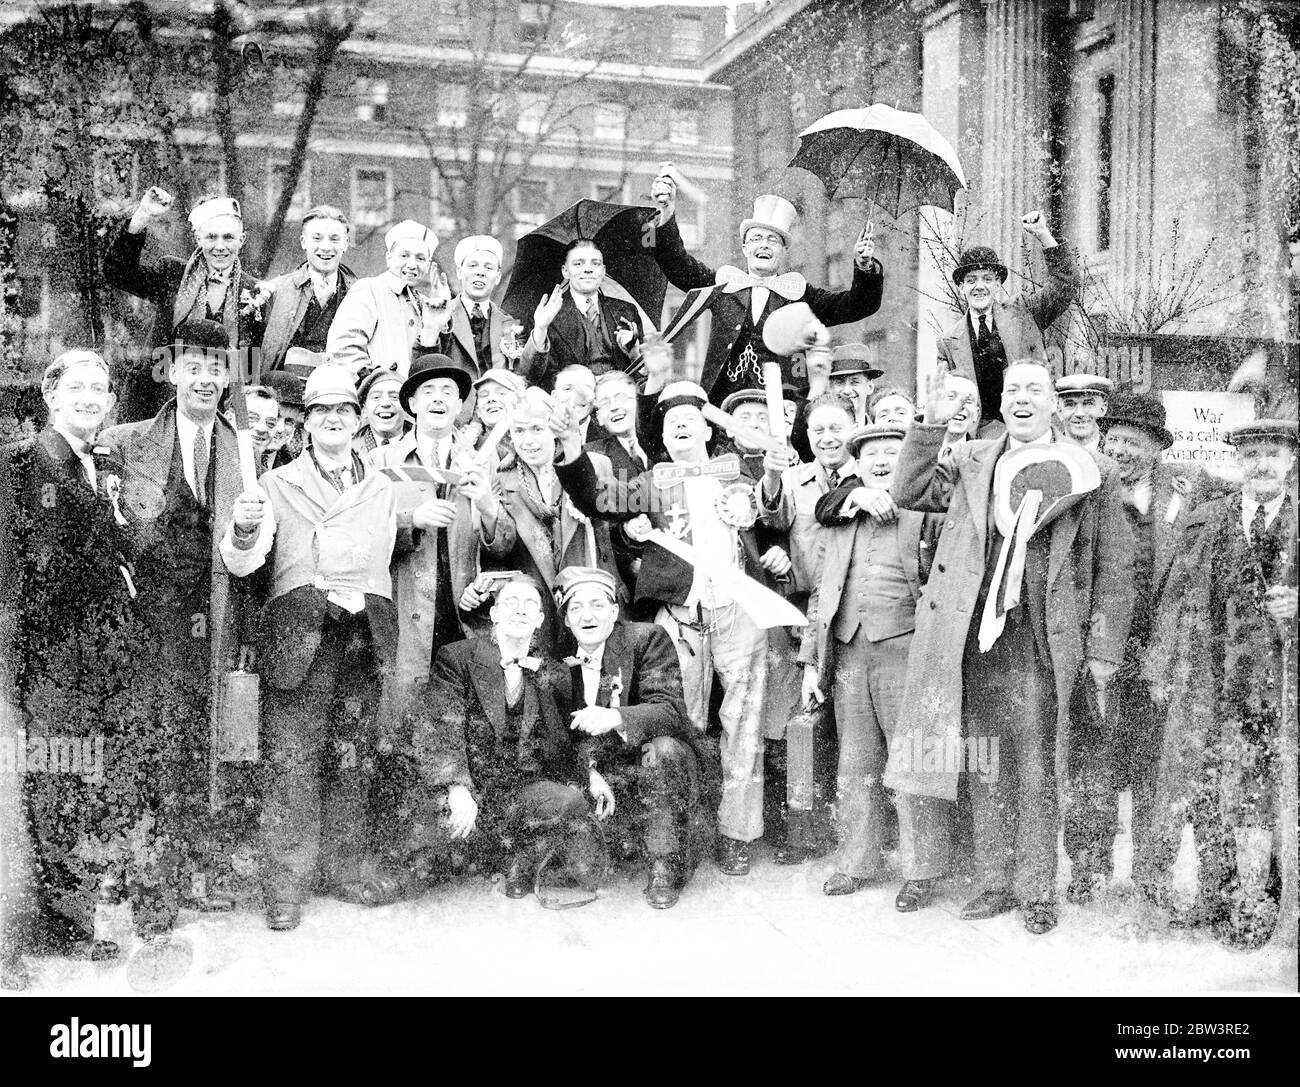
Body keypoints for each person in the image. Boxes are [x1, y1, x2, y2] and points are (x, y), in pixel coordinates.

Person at [885, 361, 1133, 935]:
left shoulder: (1092, 469)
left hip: (1044, 638)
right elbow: (909, 489)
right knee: (985, 758)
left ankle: (1037, 889)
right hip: (973, 638)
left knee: (1038, 763)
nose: (1023, 400)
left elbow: (1116, 566)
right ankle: (995, 881)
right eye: (1012, 390)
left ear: (1054, 404)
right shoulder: (973, 458)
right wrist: (931, 423)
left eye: (1035, 391)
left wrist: (1101, 649)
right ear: (1000, 403)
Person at [551, 377, 791, 877]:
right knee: (679, 727)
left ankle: (735, 835)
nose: (681, 426)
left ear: (708, 428)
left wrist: (764, 488)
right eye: (670, 422)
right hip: (679, 621)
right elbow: (599, 499)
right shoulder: (652, 482)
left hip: (738, 616)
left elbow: (775, 511)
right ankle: (685, 831)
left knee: (742, 728)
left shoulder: (740, 472)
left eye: (690, 419)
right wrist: (573, 450)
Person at [220, 365, 402, 930]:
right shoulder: (274, 485)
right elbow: (242, 562)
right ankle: (286, 883)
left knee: (352, 758)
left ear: (357, 419)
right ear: (307, 423)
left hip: (361, 635)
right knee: (292, 764)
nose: (333, 420)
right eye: (321, 411)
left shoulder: (381, 485)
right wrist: (245, 530)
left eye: (344, 411)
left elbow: (386, 555)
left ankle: (343, 867)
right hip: (300, 638)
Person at [98, 320, 255, 933]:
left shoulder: (240, 447)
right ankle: (147, 889)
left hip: (210, 622)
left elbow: (247, 550)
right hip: (148, 625)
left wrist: (244, 532)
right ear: (171, 372)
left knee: (199, 744)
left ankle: (185, 871)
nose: (207, 379)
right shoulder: (128, 441)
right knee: (149, 746)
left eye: (219, 368)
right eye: (195, 367)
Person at [0, 351, 146, 983]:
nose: (90, 396)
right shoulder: (28, 466)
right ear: (50, 396)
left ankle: (72, 915)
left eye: (100, 387)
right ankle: (63, 921)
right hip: (55, 654)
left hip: (100, 653)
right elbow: (26, 571)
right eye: (77, 386)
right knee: (60, 777)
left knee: (84, 780)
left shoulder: (102, 465)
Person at [1140, 419, 1297, 949]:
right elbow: (1175, 595)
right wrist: (1161, 666)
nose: (1262, 464)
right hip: (1210, 681)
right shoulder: (1207, 519)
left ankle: (1263, 900)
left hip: (1278, 688)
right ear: (1238, 462)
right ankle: (1219, 894)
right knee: (1207, 790)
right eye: (1251, 455)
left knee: (1265, 794)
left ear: (1291, 461)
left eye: (1273, 454)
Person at [802, 423, 949, 903]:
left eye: (893, 451)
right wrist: (810, 663)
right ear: (857, 466)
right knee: (855, 761)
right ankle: (855, 861)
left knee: (915, 759)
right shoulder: (841, 517)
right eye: (871, 455)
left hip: (906, 651)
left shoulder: (926, 513)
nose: (882, 460)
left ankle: (922, 870)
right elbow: (820, 594)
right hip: (849, 653)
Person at [1063, 392, 1198, 902]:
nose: (1121, 450)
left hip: (1160, 653)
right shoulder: (1085, 488)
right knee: (1092, 765)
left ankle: (1152, 875)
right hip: (1096, 651)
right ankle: (1089, 869)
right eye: (1113, 438)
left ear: (1157, 448)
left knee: (1157, 770)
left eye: (1134, 442)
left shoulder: (1186, 491)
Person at [406, 576, 592, 900]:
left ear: (540, 620)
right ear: (494, 614)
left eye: (530, 605)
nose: (520, 612)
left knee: (569, 802)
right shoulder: (457, 658)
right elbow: (441, 728)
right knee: (419, 868)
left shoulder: (555, 673)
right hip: (471, 790)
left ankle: (522, 861)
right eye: (511, 603)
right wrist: (457, 787)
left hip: (523, 792)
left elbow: (573, 736)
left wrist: (591, 771)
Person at [650, 179, 883, 405]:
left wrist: (864, 267)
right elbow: (677, 265)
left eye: (773, 240)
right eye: (756, 238)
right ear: (745, 248)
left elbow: (859, 305)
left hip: (783, 410)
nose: (764, 245)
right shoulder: (721, 284)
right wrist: (667, 212)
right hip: (724, 406)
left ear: (783, 250)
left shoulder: (799, 294)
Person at [556, 567, 708, 909]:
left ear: (614, 611)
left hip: (649, 763)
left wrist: (615, 717)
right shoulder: (559, 657)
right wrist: (588, 771)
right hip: (604, 773)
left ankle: (664, 864)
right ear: (566, 620)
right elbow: (557, 735)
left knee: (663, 749)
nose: (588, 615)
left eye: (597, 605)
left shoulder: (647, 638)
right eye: (576, 608)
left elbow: (671, 712)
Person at [370, 354, 514, 693]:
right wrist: (411, 522)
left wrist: (488, 507)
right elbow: (363, 535)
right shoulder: (380, 461)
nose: (438, 398)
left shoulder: (485, 459)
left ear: (460, 404)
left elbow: (505, 547)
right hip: (404, 614)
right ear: (412, 403)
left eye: (448, 391)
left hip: (463, 614)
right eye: (428, 390)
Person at [758, 392, 861, 859]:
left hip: (856, 612)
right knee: (800, 723)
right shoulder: (794, 481)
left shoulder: (870, 475)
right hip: (804, 615)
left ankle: (858, 835)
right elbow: (773, 516)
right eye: (817, 430)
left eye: (836, 427)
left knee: (854, 727)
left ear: (855, 426)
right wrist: (773, 473)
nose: (827, 437)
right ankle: (806, 833)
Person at [472, 387, 622, 652]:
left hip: (588, 597)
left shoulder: (593, 464)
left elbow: (611, 523)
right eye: (519, 431)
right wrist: (488, 511)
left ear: (553, 429)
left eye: (536, 429)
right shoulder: (503, 478)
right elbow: (503, 547)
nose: (528, 440)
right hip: (540, 602)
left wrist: (589, 506)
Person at [104, 189, 265, 422]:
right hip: (158, 400)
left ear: (242, 239)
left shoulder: (255, 292)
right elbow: (118, 273)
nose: (220, 246)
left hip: (221, 407)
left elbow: (252, 361)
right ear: (198, 238)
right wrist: (143, 215)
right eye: (211, 237)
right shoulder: (173, 274)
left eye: (228, 237)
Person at [936, 212, 1078, 433]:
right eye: (971, 280)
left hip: (1033, 427)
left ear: (998, 284)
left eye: (988, 279)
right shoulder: (948, 342)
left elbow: (1064, 285)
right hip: (981, 439)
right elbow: (946, 399)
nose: (979, 286)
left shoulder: (1024, 312)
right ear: (961, 287)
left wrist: (1043, 234)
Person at [326, 219, 449, 377]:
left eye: (420, 258)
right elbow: (344, 350)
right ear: (389, 258)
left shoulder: (425, 304)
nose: (412, 265)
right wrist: (377, 385)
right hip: (380, 397)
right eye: (404, 255)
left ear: (428, 264)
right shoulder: (370, 289)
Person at [520, 239, 644, 390]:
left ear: (603, 271)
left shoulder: (627, 312)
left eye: (595, 263)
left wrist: (634, 355)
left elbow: (643, 380)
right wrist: (540, 329)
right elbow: (532, 377)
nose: (588, 269)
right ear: (565, 271)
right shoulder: (546, 315)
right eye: (578, 264)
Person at [256, 205, 357, 376]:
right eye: (317, 238)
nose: (326, 247)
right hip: (284, 393)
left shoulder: (359, 294)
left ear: (345, 244)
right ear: (304, 242)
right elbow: (252, 349)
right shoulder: (275, 291)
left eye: (334, 239)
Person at [438, 235, 516, 376]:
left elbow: (521, 371)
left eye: (488, 267)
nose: (480, 272)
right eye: (473, 265)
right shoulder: (441, 316)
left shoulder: (508, 322)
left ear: (497, 277)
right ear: (459, 272)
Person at [352, 366, 408, 454]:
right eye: (376, 397)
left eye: (394, 397)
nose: (385, 403)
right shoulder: (349, 451)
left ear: (407, 407)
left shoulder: (422, 447)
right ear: (364, 409)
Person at [825, 345, 883, 426]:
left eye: (855, 382)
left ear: (869, 387)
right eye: (840, 382)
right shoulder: (818, 435)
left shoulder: (878, 436)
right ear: (831, 388)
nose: (847, 391)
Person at [1055, 374, 1114, 453]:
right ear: (1059, 410)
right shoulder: (1046, 454)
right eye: (1070, 404)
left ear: (1103, 408)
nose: (1079, 413)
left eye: (1088, 404)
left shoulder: (1115, 454)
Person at [261, 370, 306, 470]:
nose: (280, 429)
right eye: (275, 418)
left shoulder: (294, 467)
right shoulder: (228, 457)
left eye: (289, 422)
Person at [239, 384, 280, 475]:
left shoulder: (267, 482)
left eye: (270, 423)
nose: (262, 428)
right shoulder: (207, 463)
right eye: (251, 418)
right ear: (229, 418)